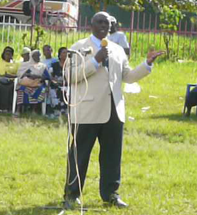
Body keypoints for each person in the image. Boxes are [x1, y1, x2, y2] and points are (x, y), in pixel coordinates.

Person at [63, 11, 164, 209]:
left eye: (107, 23)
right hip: (87, 111)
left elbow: (128, 76)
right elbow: (70, 76)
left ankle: (111, 194)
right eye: (100, 22)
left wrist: (147, 64)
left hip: (114, 111)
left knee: (112, 156)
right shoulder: (78, 47)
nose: (104, 26)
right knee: (79, 155)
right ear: (91, 24)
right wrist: (95, 61)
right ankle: (72, 194)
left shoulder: (118, 49)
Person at [15, 50, 50, 116]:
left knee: (40, 90)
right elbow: (20, 75)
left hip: (38, 83)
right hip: (26, 83)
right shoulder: (26, 65)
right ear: (32, 56)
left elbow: (48, 77)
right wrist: (29, 75)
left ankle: (34, 110)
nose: (38, 57)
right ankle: (18, 110)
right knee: (21, 89)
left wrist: (38, 76)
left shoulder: (42, 66)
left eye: (39, 56)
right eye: (36, 56)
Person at [0, 46, 19, 112]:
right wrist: (0, 75)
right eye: (6, 53)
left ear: (12, 55)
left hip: (11, 82)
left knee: (7, 88)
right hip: (1, 81)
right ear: (3, 54)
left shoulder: (15, 64)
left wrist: (10, 76)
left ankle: (6, 108)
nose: (7, 55)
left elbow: (18, 75)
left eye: (9, 53)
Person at [47, 47, 68, 118]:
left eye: (67, 52)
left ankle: (65, 111)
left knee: (65, 89)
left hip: (67, 84)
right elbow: (50, 77)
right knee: (57, 89)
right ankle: (57, 111)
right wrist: (55, 81)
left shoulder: (70, 65)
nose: (66, 54)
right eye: (64, 52)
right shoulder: (54, 65)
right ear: (59, 55)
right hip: (56, 84)